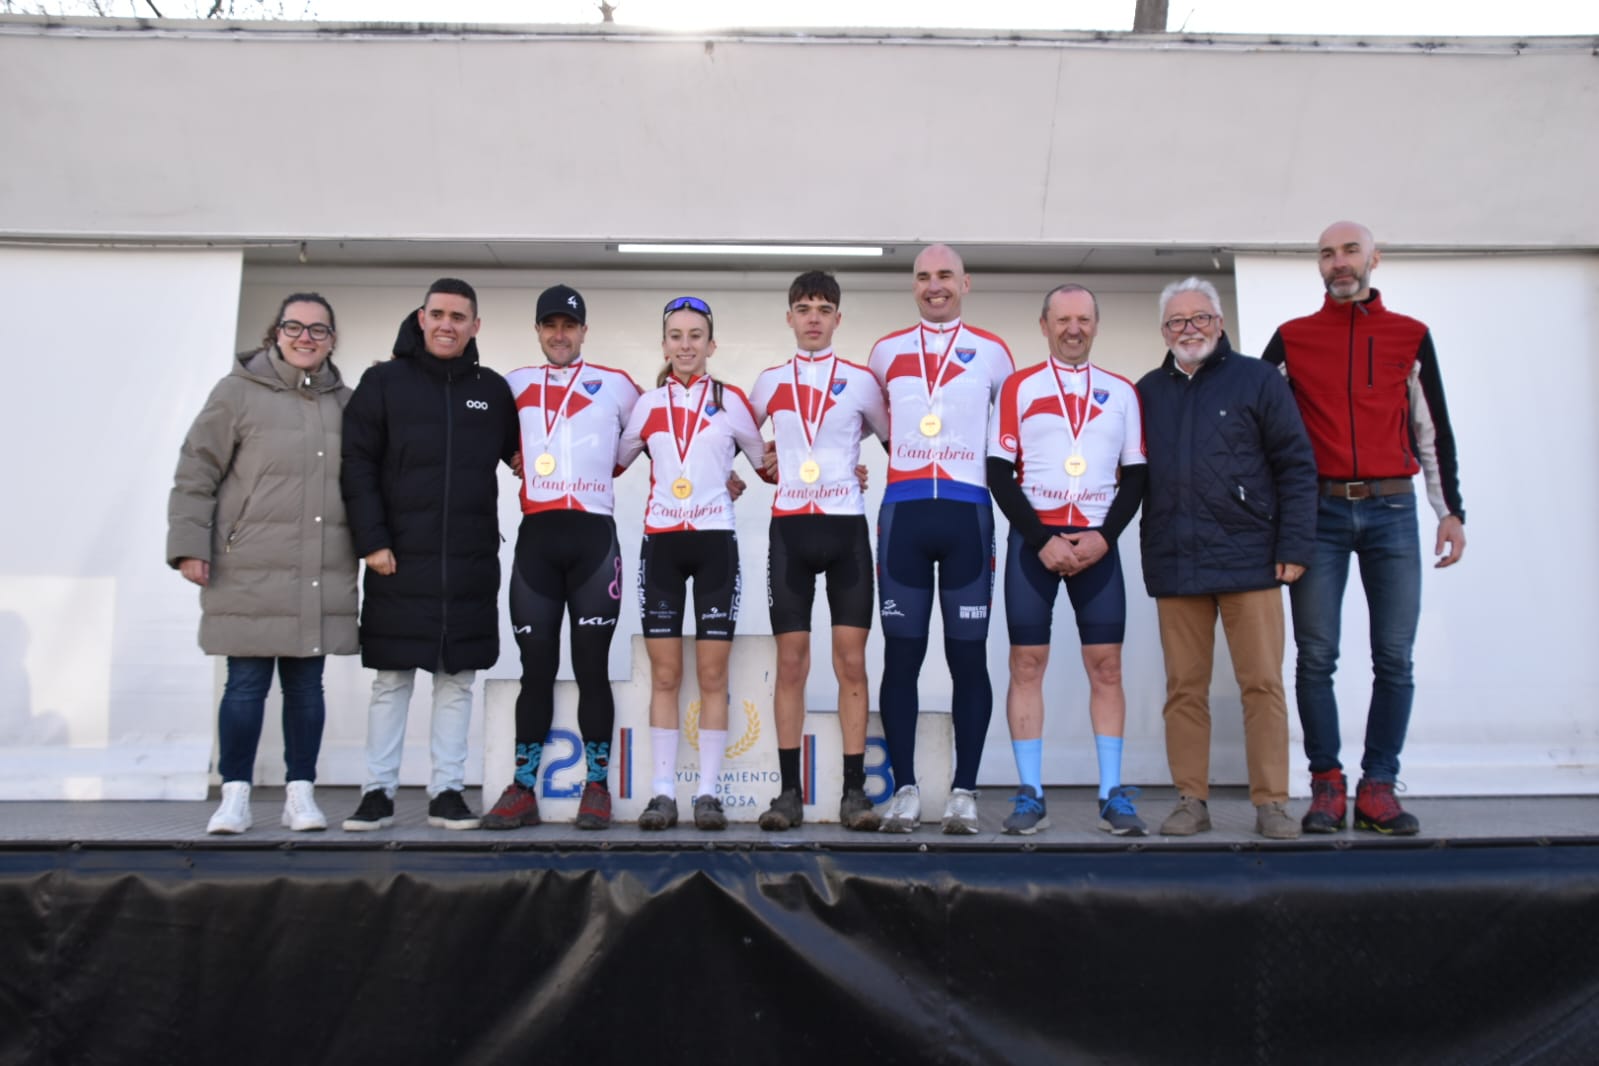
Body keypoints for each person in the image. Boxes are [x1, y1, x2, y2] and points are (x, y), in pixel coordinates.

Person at [1262, 221, 1466, 836]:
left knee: (1394, 657)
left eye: (1350, 250)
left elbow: (1433, 429)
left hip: (1391, 510)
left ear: (1375, 258)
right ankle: (1326, 784)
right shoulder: (1293, 338)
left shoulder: (1410, 335)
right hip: (1317, 513)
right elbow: (1257, 427)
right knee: (1315, 656)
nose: (1339, 262)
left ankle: (1378, 786)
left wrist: (1449, 510)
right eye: (1327, 254)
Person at [167, 292, 357, 835]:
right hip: (247, 565)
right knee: (245, 685)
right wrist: (189, 545)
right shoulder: (236, 393)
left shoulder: (346, 403)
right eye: (294, 327)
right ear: (275, 333)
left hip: (321, 566)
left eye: (318, 330)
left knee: (306, 688)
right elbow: (197, 468)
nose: (305, 338)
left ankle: (301, 794)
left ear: (331, 340)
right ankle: (235, 796)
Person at [1137, 277, 1318, 841]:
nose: (1188, 329)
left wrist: (1294, 545)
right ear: (1164, 331)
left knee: (1262, 684)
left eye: (1199, 318)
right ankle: (1191, 800)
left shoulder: (1258, 379)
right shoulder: (1146, 391)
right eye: (1176, 321)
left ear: (1218, 322)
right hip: (1176, 560)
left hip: (1252, 559)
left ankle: (1272, 803)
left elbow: (1296, 464)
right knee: (1183, 689)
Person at [340, 278, 519, 831]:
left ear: (475, 326)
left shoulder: (492, 390)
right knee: (392, 679)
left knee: (456, 680)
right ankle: (377, 792)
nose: (447, 325)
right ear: (421, 318)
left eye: (458, 317)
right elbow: (356, 464)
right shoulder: (382, 382)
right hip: (398, 558)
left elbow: (528, 455)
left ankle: (447, 792)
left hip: (469, 562)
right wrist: (371, 541)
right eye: (438, 314)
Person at [987, 284, 1147, 836]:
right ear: (1044, 325)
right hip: (1036, 543)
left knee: (1107, 666)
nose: (1073, 329)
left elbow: (1137, 475)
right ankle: (1030, 793)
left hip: (1097, 542)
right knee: (1026, 664)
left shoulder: (1122, 391)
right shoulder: (1019, 386)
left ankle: (1111, 794)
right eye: (1062, 320)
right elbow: (998, 472)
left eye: (1083, 320)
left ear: (1096, 325)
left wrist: (1105, 536)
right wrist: (1039, 539)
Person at [483, 285, 642, 831]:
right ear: (537, 330)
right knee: (535, 671)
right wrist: (512, 456)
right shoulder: (513, 384)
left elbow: (667, 429)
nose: (559, 334)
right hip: (538, 543)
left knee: (592, 668)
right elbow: (482, 434)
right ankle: (522, 788)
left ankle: (596, 788)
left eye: (569, 326)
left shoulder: (618, 385)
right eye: (550, 325)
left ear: (583, 331)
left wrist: (735, 470)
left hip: (594, 539)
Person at [868, 244, 1014, 834]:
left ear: (965, 283)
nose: (935, 286)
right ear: (913, 285)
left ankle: (964, 792)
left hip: (968, 515)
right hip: (903, 515)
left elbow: (1007, 436)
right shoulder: (885, 352)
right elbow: (874, 426)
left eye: (945, 276)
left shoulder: (994, 353)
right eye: (924, 277)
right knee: (901, 657)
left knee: (968, 657)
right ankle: (904, 789)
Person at [616, 296, 767, 831]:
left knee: (711, 674)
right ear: (664, 344)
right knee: (665, 674)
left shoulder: (733, 401)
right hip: (661, 544)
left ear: (711, 344)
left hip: (714, 544)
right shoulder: (646, 404)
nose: (686, 345)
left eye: (695, 335)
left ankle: (707, 794)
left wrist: (843, 468)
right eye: (676, 336)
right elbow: (613, 460)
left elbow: (768, 463)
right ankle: (662, 794)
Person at [748, 271, 890, 831]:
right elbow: (732, 437)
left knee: (851, 661)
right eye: (804, 308)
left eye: (824, 309)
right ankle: (789, 793)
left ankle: (854, 793)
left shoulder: (861, 382)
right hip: (790, 533)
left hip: (845, 531)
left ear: (837, 318)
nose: (813, 318)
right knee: (791, 662)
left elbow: (895, 440)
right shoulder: (769, 381)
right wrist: (761, 467)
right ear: (789, 317)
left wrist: (857, 470)